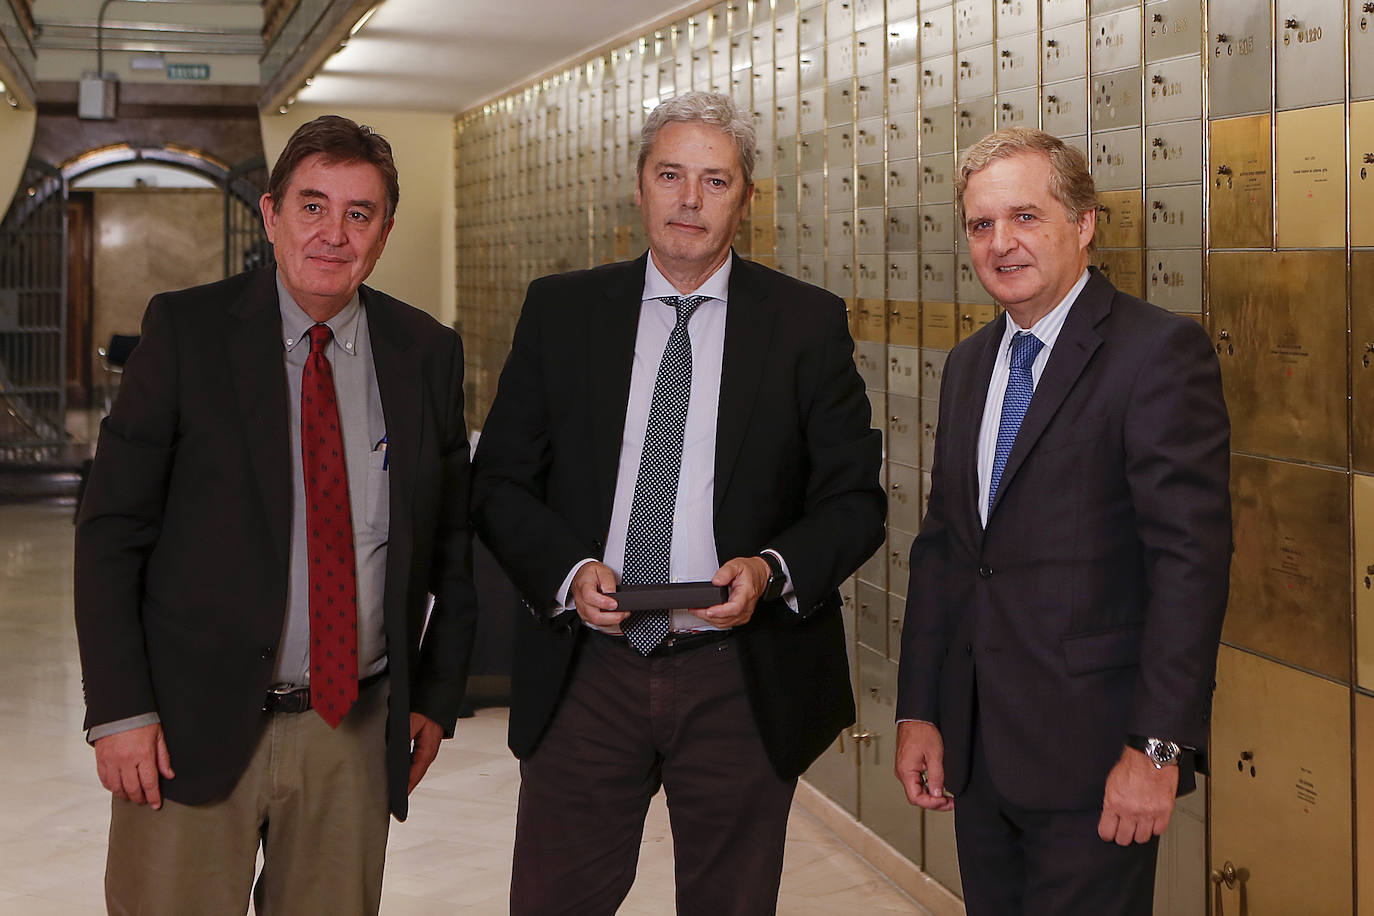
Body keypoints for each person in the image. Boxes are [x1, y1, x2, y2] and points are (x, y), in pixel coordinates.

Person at [471, 91, 885, 915]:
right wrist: (569, 570)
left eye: (715, 180)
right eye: (671, 175)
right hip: (589, 671)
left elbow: (854, 501)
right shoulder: (562, 311)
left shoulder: (806, 324)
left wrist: (770, 571)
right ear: (639, 185)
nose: (690, 200)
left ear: (747, 198)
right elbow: (499, 481)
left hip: (739, 675)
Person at [74, 114, 477, 915]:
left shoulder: (425, 352)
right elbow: (113, 529)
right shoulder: (186, 333)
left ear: (384, 232)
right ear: (271, 214)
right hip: (190, 723)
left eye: (358, 213)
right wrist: (120, 709)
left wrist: (434, 693)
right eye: (313, 206)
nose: (333, 233)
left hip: (352, 731)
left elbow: (452, 543)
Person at [894, 127, 1231, 915]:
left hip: (1095, 761)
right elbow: (946, 550)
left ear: (1083, 226)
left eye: (1025, 217)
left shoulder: (1157, 354)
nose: (1001, 243)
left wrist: (1156, 749)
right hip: (978, 755)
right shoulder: (972, 363)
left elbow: (1190, 565)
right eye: (981, 224)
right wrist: (921, 710)